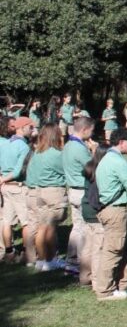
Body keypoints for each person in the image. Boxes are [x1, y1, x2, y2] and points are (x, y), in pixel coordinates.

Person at [94, 127, 127, 300]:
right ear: (121, 142)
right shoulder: (118, 162)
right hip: (115, 210)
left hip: (109, 208)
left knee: (126, 247)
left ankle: (123, 283)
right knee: (113, 250)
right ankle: (105, 290)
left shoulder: (106, 158)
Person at [26, 123, 67, 271]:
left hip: (40, 191)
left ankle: (41, 260)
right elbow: (66, 170)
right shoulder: (56, 154)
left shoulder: (37, 153)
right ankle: (50, 260)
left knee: (41, 227)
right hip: (54, 192)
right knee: (50, 227)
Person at [1, 116, 36, 266]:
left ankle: (8, 253)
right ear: (22, 128)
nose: (32, 130)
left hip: (5, 188)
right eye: (30, 127)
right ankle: (26, 253)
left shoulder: (7, 143)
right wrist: (5, 179)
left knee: (6, 221)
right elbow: (17, 171)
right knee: (26, 222)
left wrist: (2, 179)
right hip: (17, 186)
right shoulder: (23, 147)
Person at [63, 115, 95, 278]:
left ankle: (71, 262)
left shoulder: (68, 145)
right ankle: (84, 264)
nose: (92, 134)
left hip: (72, 190)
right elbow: (92, 167)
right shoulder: (79, 148)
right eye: (91, 131)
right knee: (86, 229)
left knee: (77, 227)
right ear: (84, 129)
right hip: (82, 190)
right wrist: (95, 152)